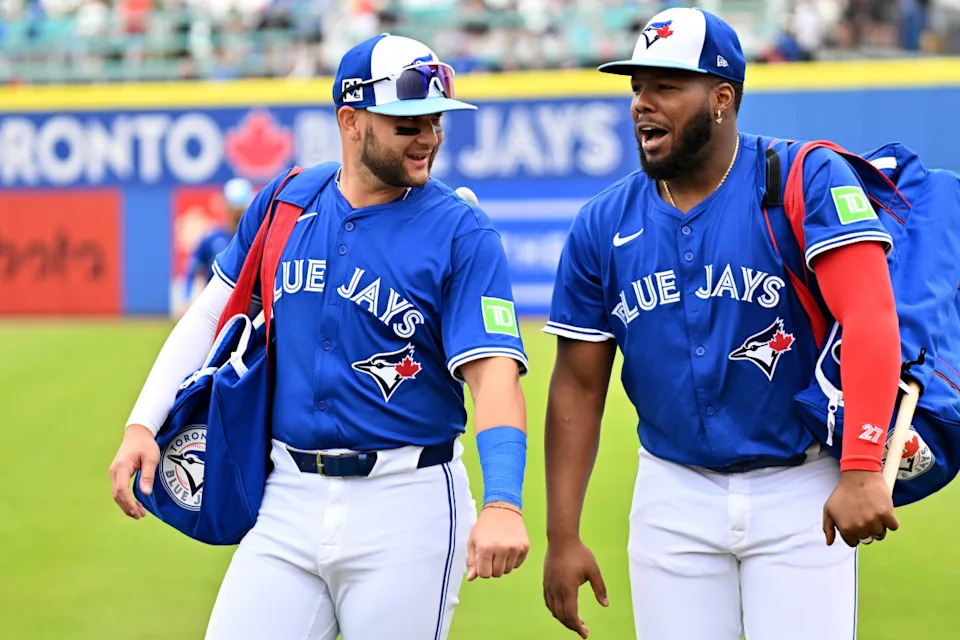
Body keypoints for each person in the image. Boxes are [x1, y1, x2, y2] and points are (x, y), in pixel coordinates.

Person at [109, 33, 530, 639]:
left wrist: (503, 502)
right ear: (351, 121)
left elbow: (494, 375)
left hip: (405, 500)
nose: (429, 137)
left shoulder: (461, 233)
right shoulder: (286, 203)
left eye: (435, 121)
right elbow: (209, 316)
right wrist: (142, 423)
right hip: (287, 497)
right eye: (408, 122)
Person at [541, 8, 901, 640]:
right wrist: (562, 534)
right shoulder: (602, 222)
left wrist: (863, 465)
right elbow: (578, 384)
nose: (642, 104)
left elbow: (871, 315)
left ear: (722, 98)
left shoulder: (801, 177)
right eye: (636, 87)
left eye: (666, 86)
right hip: (671, 496)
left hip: (800, 488)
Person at [181, 177, 253, 307]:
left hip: (248, 308)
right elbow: (192, 271)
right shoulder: (210, 239)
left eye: (240, 208)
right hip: (213, 308)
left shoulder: (257, 239)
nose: (237, 213)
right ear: (225, 205)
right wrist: (186, 299)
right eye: (233, 208)